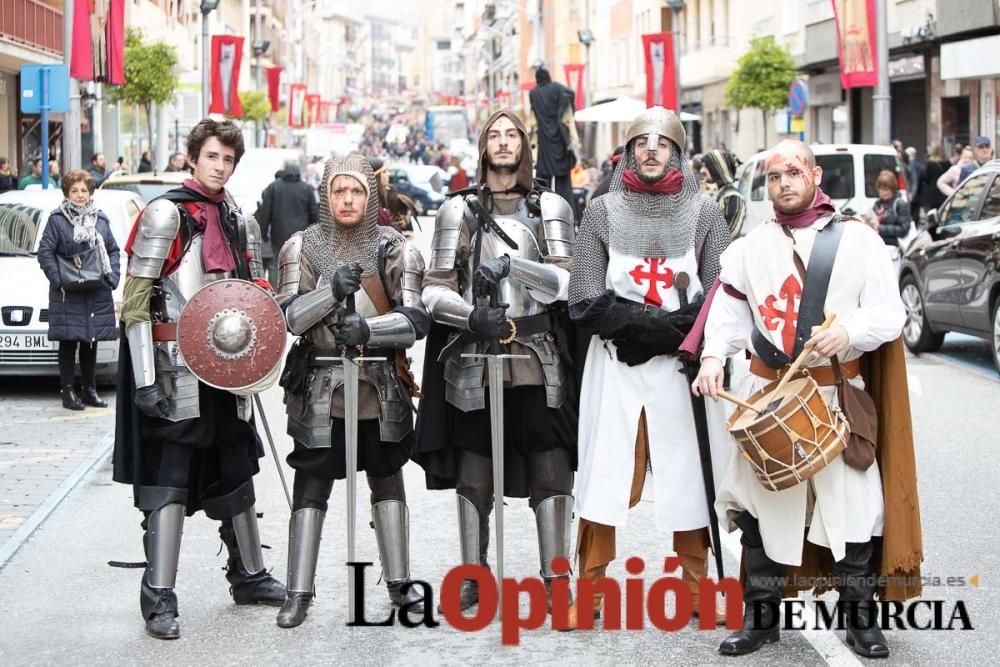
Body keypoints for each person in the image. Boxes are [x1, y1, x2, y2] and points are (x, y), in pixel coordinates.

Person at [693, 139, 922, 658]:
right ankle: (761, 618)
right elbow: (728, 318)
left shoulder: (859, 242)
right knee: (760, 508)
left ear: (815, 176)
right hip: (769, 395)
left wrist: (850, 332)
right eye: (774, 177)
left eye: (793, 173)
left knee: (853, 508)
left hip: (834, 394)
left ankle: (861, 621)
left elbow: (890, 314)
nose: (783, 184)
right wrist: (711, 359)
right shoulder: (749, 247)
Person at [112, 118, 285, 640]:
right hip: (172, 366)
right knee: (169, 478)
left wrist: (257, 358)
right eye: (212, 156)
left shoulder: (238, 217)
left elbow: (254, 293)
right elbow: (138, 299)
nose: (220, 166)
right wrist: (145, 378)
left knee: (235, 467)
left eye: (228, 159)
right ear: (193, 157)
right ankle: (159, 595)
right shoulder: (164, 213)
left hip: (227, 368)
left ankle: (249, 575)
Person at [567, 107, 732, 629]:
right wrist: (636, 326)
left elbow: (721, 294)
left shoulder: (704, 214)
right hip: (615, 364)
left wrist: (669, 333)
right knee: (602, 475)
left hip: (681, 368)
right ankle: (589, 592)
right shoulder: (601, 211)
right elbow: (583, 298)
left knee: (688, 476)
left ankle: (698, 588)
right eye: (643, 142)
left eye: (662, 142)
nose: (652, 149)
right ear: (630, 151)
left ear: (677, 151)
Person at [415, 108, 578, 613]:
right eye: (495, 136)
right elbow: (434, 287)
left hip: (536, 352)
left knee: (551, 467)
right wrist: (470, 318)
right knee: (474, 472)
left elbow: (566, 283)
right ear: (483, 146)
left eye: (512, 135)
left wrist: (515, 266)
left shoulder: (550, 205)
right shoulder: (456, 211)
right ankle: (473, 575)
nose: (503, 143)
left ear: (524, 146)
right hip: (475, 352)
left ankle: (556, 577)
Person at [273, 153, 430, 628]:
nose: (347, 198)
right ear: (326, 195)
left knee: (387, 478)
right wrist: (329, 292)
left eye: (356, 191)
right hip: (320, 385)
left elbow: (416, 318)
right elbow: (286, 318)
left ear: (370, 195)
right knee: (312, 482)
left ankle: (400, 583)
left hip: (380, 385)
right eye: (339, 190)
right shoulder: (301, 247)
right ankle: (298, 589)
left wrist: (369, 331)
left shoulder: (393, 246)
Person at [36, 169, 120, 410]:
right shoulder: (57, 220)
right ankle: (67, 391)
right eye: (75, 191)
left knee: (90, 341)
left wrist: (112, 276)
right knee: (68, 341)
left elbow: (113, 250)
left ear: (91, 192)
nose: (80, 195)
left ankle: (89, 390)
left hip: (96, 289)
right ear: (67, 193)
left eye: (84, 190)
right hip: (68, 291)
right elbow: (45, 252)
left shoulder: (101, 220)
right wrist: (59, 280)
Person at [255, 159, 318, 281]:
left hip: (279, 236)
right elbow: (314, 213)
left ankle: (278, 295)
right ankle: (298, 293)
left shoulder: (274, 187)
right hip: (301, 236)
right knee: (299, 266)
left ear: (285, 169)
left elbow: (265, 212)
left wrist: (263, 233)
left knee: (278, 265)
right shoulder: (307, 188)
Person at [528, 66, 579, 205]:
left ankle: (543, 208)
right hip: (559, 140)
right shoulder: (557, 88)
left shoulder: (533, 93)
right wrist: (563, 109)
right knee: (564, 182)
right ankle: (566, 209)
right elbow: (570, 92)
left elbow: (533, 115)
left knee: (543, 182)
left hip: (544, 143)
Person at [701, 149, 747, 238]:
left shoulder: (733, 197)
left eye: (706, 167)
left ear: (716, 169)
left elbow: (728, 235)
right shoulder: (718, 193)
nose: (702, 170)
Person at [869, 170, 911, 247]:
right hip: (878, 245)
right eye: (882, 189)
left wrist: (880, 228)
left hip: (893, 248)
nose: (884, 192)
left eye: (887, 189)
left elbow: (904, 229)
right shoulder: (877, 204)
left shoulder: (899, 204)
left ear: (893, 189)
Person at [919, 144, 950, 214]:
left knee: (931, 214)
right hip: (943, 193)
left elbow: (926, 178)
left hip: (931, 194)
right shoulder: (947, 163)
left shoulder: (929, 164)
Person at [905, 147, 923, 221]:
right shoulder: (920, 164)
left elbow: (914, 181)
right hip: (918, 194)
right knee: (916, 215)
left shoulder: (910, 165)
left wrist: (911, 193)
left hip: (912, 193)